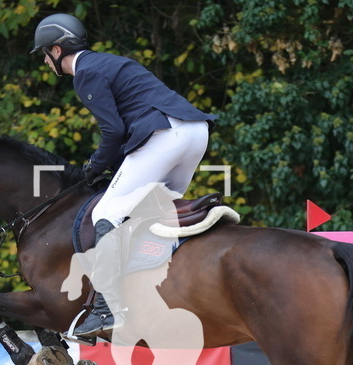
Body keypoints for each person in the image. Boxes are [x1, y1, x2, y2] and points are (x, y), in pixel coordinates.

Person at [31, 13, 216, 337]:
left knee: (106, 212)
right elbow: (127, 132)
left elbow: (113, 131)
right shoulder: (109, 62)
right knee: (158, 208)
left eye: (45, 54)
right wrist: (111, 165)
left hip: (164, 136)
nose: (45, 62)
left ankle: (105, 309)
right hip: (195, 132)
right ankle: (165, 285)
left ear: (57, 51)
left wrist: (94, 165)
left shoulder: (84, 73)